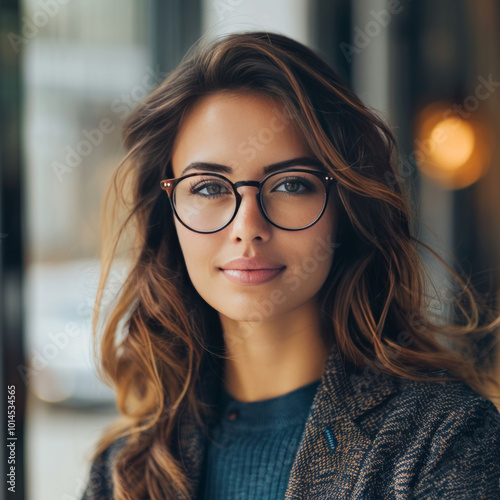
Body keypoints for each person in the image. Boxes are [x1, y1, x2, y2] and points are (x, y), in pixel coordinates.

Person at [80, 31, 500, 500]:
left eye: (291, 185)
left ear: (345, 208)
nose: (247, 227)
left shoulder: (444, 439)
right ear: (168, 212)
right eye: (207, 187)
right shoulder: (124, 466)